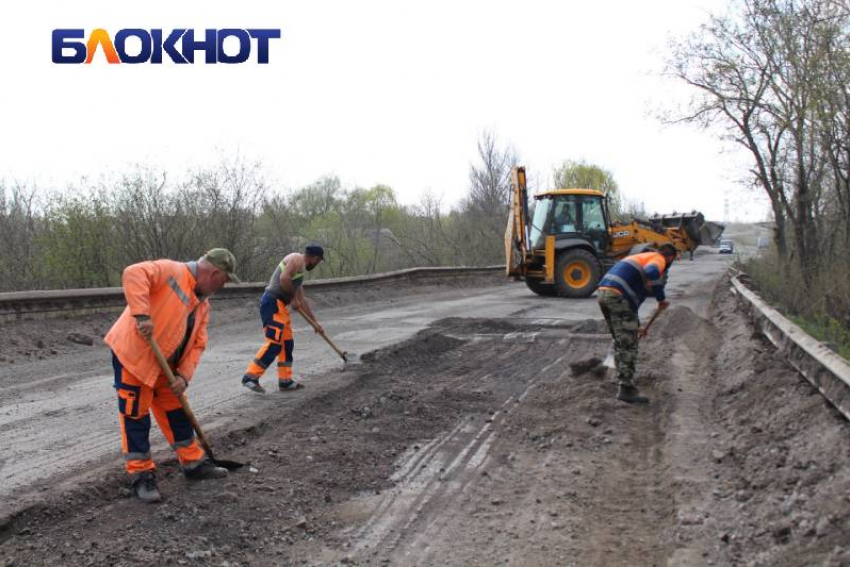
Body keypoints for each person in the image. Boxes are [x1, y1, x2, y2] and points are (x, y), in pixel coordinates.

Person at [104, 248, 240, 503]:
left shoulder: (203, 305)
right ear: (214, 272)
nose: (224, 285)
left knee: (176, 410)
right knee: (136, 416)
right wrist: (142, 314)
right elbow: (133, 273)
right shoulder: (171, 271)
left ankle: (193, 463)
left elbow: (198, 343)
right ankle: (141, 476)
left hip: (168, 368)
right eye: (225, 280)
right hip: (135, 357)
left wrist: (184, 377)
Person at [596, 243, 677, 404]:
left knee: (622, 340)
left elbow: (630, 305)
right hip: (616, 296)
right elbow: (652, 272)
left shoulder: (639, 258)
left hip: (603, 294)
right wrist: (661, 299)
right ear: (670, 257)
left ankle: (622, 381)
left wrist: (637, 326)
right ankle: (626, 389)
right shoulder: (658, 259)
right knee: (628, 344)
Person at [241, 244, 325, 393]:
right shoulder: (297, 259)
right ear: (315, 258)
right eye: (319, 261)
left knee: (287, 343)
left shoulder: (299, 271)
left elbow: (302, 300)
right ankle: (250, 377)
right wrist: (293, 298)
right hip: (272, 303)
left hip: (280, 307)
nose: (318, 264)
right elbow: (284, 278)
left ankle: (285, 381)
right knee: (275, 342)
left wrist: (315, 323)